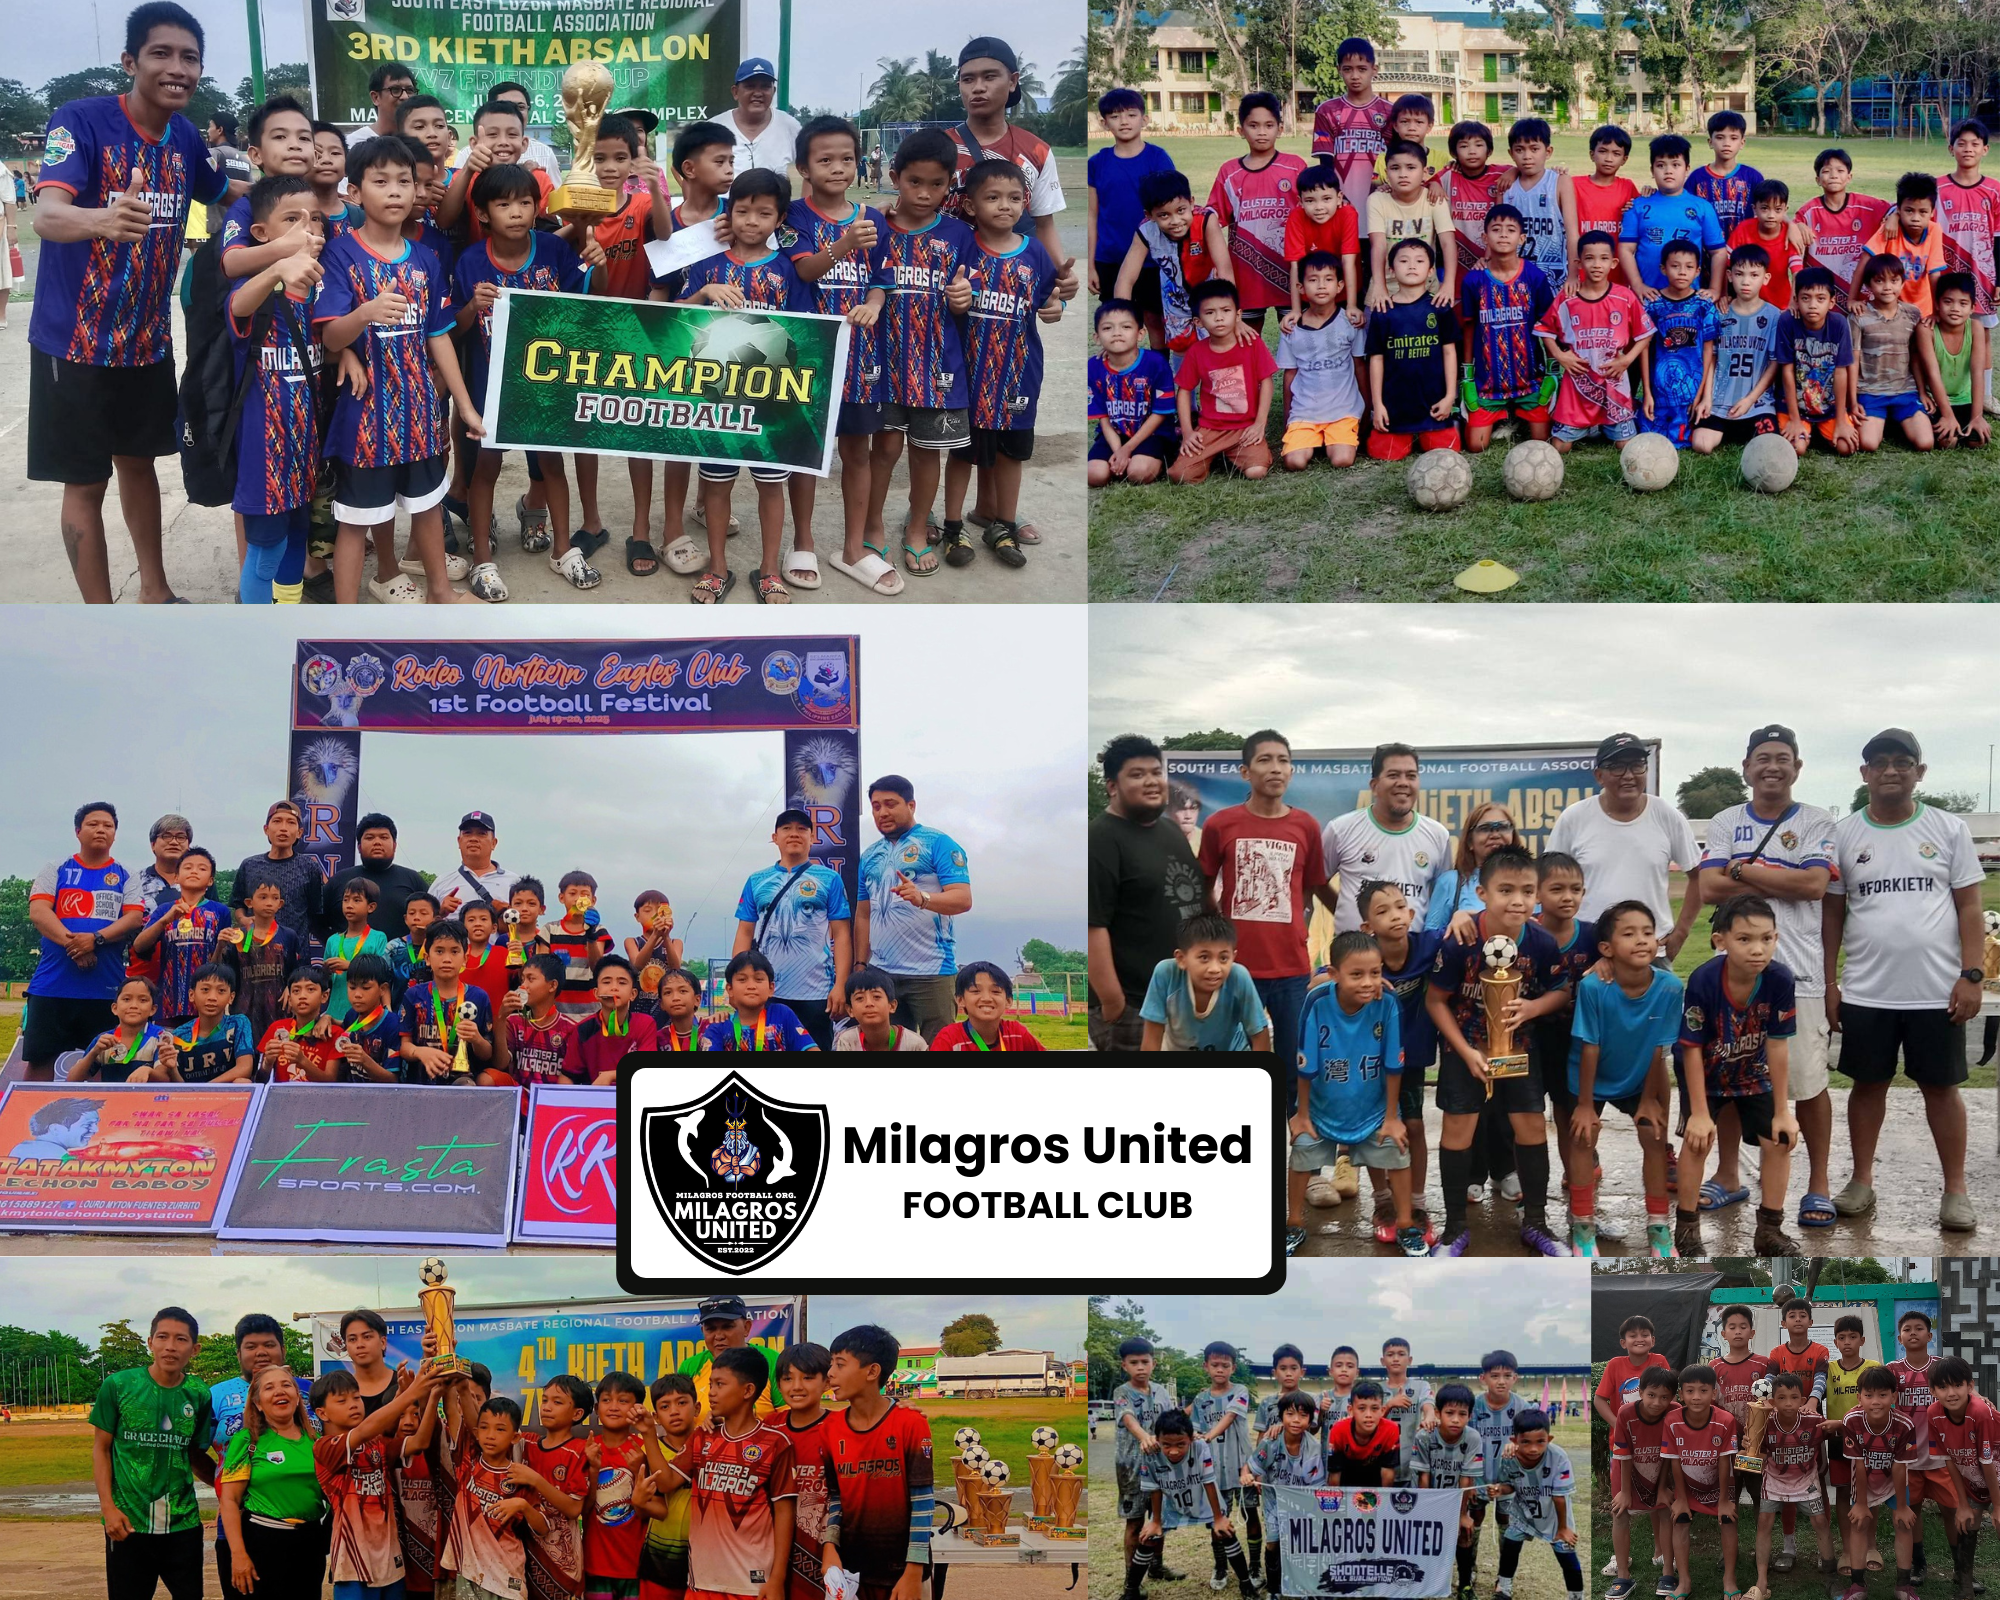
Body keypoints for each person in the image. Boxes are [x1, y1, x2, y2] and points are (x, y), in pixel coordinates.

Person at [28, 1, 238, 605]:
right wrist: (102, 217)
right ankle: (102, 620)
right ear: (130, 61)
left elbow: (232, 192)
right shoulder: (82, 121)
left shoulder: (186, 137)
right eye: (161, 53)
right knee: (86, 482)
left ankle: (155, 592)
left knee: (140, 463)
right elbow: (46, 214)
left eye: (190, 57)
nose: (178, 68)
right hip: (75, 341)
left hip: (146, 341)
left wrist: (316, 192)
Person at [1824, 728, 1982, 1231]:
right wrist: (1831, 982)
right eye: (1880, 762)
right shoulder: (1845, 834)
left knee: (1941, 1088)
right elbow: (1832, 915)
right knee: (1867, 1085)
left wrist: (1972, 976)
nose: (1892, 770)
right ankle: (1862, 1180)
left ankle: (1955, 1190)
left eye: (1902, 761)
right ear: (1865, 773)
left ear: (1920, 771)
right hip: (1868, 990)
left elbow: (1970, 906)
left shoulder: (1948, 829)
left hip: (1936, 991)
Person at [315, 134, 479, 605]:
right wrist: (365, 312)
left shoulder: (427, 260)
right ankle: (345, 623)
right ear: (355, 191)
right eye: (380, 181)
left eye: (403, 182)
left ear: (416, 190)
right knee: (356, 520)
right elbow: (329, 338)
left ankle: (441, 593)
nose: (394, 191)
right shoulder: (341, 253)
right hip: (365, 420)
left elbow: (439, 335)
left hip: (421, 413)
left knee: (427, 510)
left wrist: (464, 406)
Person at [1696, 725, 1840, 1230]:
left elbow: (1814, 884)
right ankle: (1730, 1174)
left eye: (1782, 757)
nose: (1772, 766)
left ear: (1797, 767)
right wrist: (1767, 875)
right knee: (1733, 1079)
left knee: (1806, 1085)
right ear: (1746, 768)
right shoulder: (1725, 820)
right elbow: (1709, 886)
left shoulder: (1818, 820)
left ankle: (1817, 1184)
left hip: (1797, 975)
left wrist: (1740, 870)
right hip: (1734, 981)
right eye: (1762, 758)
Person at [453, 162, 597, 600]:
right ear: (482, 214)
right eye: (503, 204)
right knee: (486, 468)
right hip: (490, 386)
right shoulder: (471, 261)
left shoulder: (553, 251)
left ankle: (563, 549)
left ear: (537, 208)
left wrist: (599, 264)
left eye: (525, 202)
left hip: (545, 384)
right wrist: (471, 308)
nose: (516, 212)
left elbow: (587, 306)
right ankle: (482, 558)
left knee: (552, 464)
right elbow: (450, 331)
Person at [1427, 844, 1571, 1257]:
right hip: (1466, 1051)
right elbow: (1436, 1001)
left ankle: (1537, 1223)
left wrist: (1533, 1007)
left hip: (1519, 1050)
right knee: (1458, 1130)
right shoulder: (1461, 939)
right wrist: (1465, 1052)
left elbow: (1561, 992)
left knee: (1530, 1127)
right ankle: (1455, 1228)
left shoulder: (1540, 943)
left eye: (1527, 890)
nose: (1518, 900)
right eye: (1506, 890)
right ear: (1482, 892)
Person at [785, 114, 900, 595]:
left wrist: (873, 304)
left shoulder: (873, 218)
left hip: (860, 358)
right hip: (810, 353)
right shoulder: (795, 215)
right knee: (808, 451)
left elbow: (882, 277)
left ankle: (854, 548)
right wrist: (844, 244)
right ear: (804, 168)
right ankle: (804, 540)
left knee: (858, 449)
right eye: (825, 159)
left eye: (847, 158)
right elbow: (805, 271)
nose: (838, 167)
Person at [940, 158, 1063, 569]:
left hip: (1018, 376)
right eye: (992, 197)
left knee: (1013, 454)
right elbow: (944, 300)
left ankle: (1004, 524)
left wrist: (1055, 306)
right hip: (968, 378)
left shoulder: (1036, 254)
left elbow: (1049, 299)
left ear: (1026, 203)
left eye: (1014, 198)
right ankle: (954, 527)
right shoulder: (964, 247)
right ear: (971, 205)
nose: (1004, 206)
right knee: (962, 454)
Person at [874, 128, 978, 576]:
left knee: (926, 451)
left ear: (950, 184)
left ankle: (918, 527)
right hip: (882, 364)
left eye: (937, 184)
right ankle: (871, 526)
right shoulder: (874, 225)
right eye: (914, 182)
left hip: (939, 367)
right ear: (894, 176)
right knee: (884, 449)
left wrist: (963, 300)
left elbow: (971, 292)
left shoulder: (960, 234)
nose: (925, 193)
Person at [1198, 729, 1328, 1070]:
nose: (1275, 768)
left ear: (1291, 770)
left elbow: (1313, 885)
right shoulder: (1219, 824)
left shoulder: (1306, 826)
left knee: (1292, 1061)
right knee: (1234, 1061)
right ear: (1246, 771)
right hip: (1236, 968)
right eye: (1265, 760)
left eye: (1283, 761)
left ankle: (1291, 1119)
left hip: (1292, 970)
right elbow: (1203, 887)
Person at [1291, 931, 1420, 1258]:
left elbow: (1394, 1064)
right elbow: (1305, 1063)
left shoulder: (1387, 1004)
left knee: (1396, 1147)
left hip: (1374, 1109)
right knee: (1301, 1151)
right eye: (1356, 974)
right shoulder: (1317, 1002)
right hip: (1321, 1108)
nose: (1368, 982)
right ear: (1333, 974)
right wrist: (1302, 1114)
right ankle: (1293, 1223)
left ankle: (1405, 1225)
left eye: (1375, 973)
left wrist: (1392, 1118)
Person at [646, 1346, 800, 1599]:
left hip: (751, 1584)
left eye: (719, 1384)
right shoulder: (703, 1437)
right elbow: (665, 1483)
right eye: (710, 1384)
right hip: (702, 1581)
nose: (711, 1393)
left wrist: (777, 1578)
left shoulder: (775, 1444)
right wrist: (648, 1433)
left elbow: (784, 1513)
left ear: (748, 1391)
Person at [91, 1305, 216, 1600]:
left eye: (181, 1339)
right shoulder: (119, 1385)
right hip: (128, 1524)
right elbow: (101, 1449)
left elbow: (196, 1455)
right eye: (162, 1337)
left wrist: (230, 1490)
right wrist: (109, 1509)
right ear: (150, 1343)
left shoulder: (199, 1394)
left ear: (195, 1348)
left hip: (182, 1524)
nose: (170, 1346)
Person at [1090, 735, 1206, 1050]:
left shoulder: (1170, 830)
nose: (1152, 782)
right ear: (1113, 786)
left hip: (1183, 996)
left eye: (1156, 772)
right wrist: (1113, 1002)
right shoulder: (1099, 839)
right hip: (1134, 1006)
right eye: (1137, 775)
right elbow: (1092, 926)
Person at [1546, 733, 1702, 953]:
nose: (1628, 775)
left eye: (1637, 765)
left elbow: (1698, 875)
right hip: (1587, 949)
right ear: (1599, 775)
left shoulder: (1667, 815)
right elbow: (1548, 880)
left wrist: (1681, 932)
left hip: (1650, 951)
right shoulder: (1574, 818)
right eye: (1617, 767)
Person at [24, 801, 146, 1080]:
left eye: (108, 825)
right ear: (78, 831)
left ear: (115, 834)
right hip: (52, 986)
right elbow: (39, 912)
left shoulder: (127, 874)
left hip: (105, 990)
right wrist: (76, 946)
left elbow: (133, 918)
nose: (101, 830)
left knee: (103, 1065)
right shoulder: (55, 868)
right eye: (93, 824)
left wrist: (96, 940)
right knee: (40, 1063)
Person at [821, 1324, 934, 1600]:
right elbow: (836, 1496)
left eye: (840, 1364)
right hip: (851, 1574)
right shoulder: (830, 1427)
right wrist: (829, 1546)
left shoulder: (910, 1423)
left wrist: (913, 1572)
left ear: (872, 1371)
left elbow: (923, 1502)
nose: (830, 1373)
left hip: (902, 1575)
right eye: (830, 1364)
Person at [856, 775, 971, 1041]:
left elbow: (963, 899)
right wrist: (860, 965)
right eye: (875, 806)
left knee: (939, 1045)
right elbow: (863, 914)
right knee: (887, 1047)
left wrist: (923, 898)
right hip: (882, 972)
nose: (882, 812)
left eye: (890, 804)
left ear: (911, 805)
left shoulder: (938, 843)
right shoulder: (869, 855)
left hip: (931, 971)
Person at [734, 809, 853, 1052]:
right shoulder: (757, 880)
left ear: (813, 837)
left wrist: (840, 984)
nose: (794, 834)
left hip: (816, 992)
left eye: (801, 829)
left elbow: (841, 934)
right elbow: (745, 933)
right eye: (786, 829)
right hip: (767, 990)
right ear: (775, 837)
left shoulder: (829, 879)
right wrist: (737, 982)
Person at [1536, 232, 1655, 453]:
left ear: (1613, 263)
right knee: (1559, 447)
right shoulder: (1567, 298)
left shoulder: (1625, 297)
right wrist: (1560, 356)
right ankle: (1587, 426)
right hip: (1578, 390)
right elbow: (1544, 330)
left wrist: (1627, 360)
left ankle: (1611, 421)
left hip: (1614, 387)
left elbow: (1645, 333)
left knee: (1625, 446)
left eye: (1603, 258)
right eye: (1589, 258)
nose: (1597, 265)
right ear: (1579, 263)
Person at [216, 1365, 326, 1600]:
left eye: (286, 1385)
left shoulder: (316, 1441)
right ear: (257, 1403)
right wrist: (238, 1555)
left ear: (298, 1397)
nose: (279, 1391)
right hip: (262, 1543)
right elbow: (229, 1500)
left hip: (310, 1545)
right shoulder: (247, 1440)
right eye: (269, 1387)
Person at [1458, 204, 1557, 453]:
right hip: (1488, 382)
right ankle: (1500, 412)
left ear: (1521, 238)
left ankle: (1520, 410)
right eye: (1496, 229)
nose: (1503, 235)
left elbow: (1547, 325)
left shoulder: (1535, 278)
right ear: (1485, 237)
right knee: (1476, 445)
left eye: (1511, 230)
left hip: (1530, 380)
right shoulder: (1473, 280)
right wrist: (1468, 375)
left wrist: (1553, 372)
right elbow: (1469, 327)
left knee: (1541, 442)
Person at [1128, 1409, 1256, 1600]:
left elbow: (1208, 1481)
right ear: (1157, 1440)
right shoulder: (1151, 1452)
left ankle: (1246, 1585)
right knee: (1148, 1539)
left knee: (1226, 1532)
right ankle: (1131, 1591)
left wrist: (1218, 1517)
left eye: (1181, 1444)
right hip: (1172, 1501)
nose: (1173, 1450)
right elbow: (1154, 1488)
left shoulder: (1200, 1446)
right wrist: (1155, 1521)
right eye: (1166, 1445)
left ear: (1191, 1438)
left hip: (1203, 1499)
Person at [1209, 92, 1305, 332]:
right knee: (1247, 337)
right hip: (1246, 272)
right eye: (1253, 125)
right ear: (1241, 130)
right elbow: (1212, 218)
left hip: (1290, 270)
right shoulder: (1229, 172)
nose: (1262, 132)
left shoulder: (1294, 167)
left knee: (1296, 336)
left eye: (1269, 125)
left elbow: (1313, 209)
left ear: (1280, 128)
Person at [1167, 278, 1277, 483]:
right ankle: (1214, 454)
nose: (1219, 318)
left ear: (1238, 315)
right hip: (1210, 428)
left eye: (1225, 311)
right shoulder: (1196, 352)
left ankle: (1232, 454)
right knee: (1180, 475)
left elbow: (1267, 382)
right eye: (1210, 313)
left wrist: (1260, 423)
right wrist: (1188, 432)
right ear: (1198, 321)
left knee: (1257, 471)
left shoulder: (1252, 344)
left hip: (1245, 427)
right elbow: (1184, 391)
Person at [1365, 238, 1461, 458]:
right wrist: (1378, 405)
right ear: (1391, 269)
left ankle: (1445, 421)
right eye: (1404, 261)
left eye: (1419, 261)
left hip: (1434, 407)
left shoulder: (1440, 308)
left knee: (1446, 452)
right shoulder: (1383, 311)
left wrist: (1449, 397)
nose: (1411, 265)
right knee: (1386, 454)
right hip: (1396, 408)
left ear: (1430, 271)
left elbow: (1449, 352)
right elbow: (1376, 359)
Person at [1088, 89, 1176, 324]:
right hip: (1110, 258)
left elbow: (1172, 207)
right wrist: (1090, 266)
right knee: (1117, 319)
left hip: (1153, 256)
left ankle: (1160, 362)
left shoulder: (1158, 158)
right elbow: (1092, 214)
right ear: (1104, 122)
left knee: (1156, 320)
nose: (1124, 121)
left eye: (1131, 114)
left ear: (1144, 119)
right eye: (1115, 116)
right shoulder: (1097, 163)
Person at [1277, 251, 1368, 469]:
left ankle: (1337, 436)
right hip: (1305, 411)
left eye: (1328, 279)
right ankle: (1308, 436)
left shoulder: (1350, 322)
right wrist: (1288, 419)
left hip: (1343, 409)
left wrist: (1366, 411)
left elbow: (1359, 367)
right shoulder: (1291, 329)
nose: (1321, 286)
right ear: (1301, 288)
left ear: (1339, 286)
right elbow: (1290, 374)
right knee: (1294, 462)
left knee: (1342, 459)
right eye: (1313, 280)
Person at [1691, 245, 1785, 453]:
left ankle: (1741, 427)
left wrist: (1750, 399)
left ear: (1766, 278)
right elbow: (1712, 359)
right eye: (1740, 274)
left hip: (1757, 403)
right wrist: (1707, 398)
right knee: (1701, 445)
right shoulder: (1719, 313)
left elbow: (1774, 363)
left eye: (1754, 275)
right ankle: (1731, 428)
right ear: (1729, 276)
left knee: (1768, 447)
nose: (1746, 281)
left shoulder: (1774, 316)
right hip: (1720, 401)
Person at [1852, 253, 1946, 453]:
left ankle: (1896, 418)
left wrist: (1922, 392)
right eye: (1879, 281)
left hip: (1904, 390)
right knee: (1868, 444)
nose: (1887, 287)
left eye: (1894, 281)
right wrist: (1852, 401)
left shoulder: (1912, 314)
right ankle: (1884, 420)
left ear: (1902, 283)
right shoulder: (1859, 316)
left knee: (1925, 443)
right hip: (1870, 391)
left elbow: (1915, 357)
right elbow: (1853, 360)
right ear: (1868, 286)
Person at [1140, 912, 1272, 1052]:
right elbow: (1152, 1038)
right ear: (1181, 959)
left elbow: (1259, 1035)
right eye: (1204, 957)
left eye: (1223, 958)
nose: (1215, 969)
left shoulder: (1239, 976)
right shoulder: (1166, 974)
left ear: (1233, 957)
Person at [1662, 1365, 1741, 1596]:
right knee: (1681, 1520)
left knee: (1728, 1520)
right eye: (1690, 1391)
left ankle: (1729, 1579)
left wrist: (1725, 1500)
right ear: (1681, 1394)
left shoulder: (1726, 1420)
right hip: (1688, 1487)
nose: (1696, 1397)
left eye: (1703, 1390)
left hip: (1721, 1487)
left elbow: (1726, 1462)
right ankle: (1684, 1581)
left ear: (1714, 1393)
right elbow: (1675, 1461)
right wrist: (1681, 1498)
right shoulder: (1672, 1420)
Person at [1618, 135, 1726, 299]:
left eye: (1676, 165)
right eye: (1661, 165)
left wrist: (1715, 289)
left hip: (1689, 297)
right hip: (1649, 296)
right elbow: (1626, 249)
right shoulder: (1637, 206)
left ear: (1687, 169)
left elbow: (1718, 252)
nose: (1668, 171)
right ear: (1652, 170)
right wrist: (1638, 285)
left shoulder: (1702, 207)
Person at [1243, 1391, 1326, 1597]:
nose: (1296, 1420)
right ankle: (1274, 1589)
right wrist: (1246, 1475)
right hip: (1274, 1502)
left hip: (1302, 1503)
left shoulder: (1313, 1448)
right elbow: (1249, 1468)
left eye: (1303, 1415)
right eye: (1290, 1414)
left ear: (1310, 1420)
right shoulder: (1270, 1442)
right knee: (1273, 1543)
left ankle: (1306, 1587)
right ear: (1281, 1417)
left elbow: (1316, 1487)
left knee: (1304, 1544)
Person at [1640, 240, 1722, 450]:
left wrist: (1702, 394)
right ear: (1663, 269)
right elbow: (1645, 348)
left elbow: (1709, 352)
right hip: (1660, 393)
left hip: (1691, 392)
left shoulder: (1703, 306)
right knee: (1648, 438)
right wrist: (1647, 393)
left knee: (1688, 438)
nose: (1682, 272)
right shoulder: (1654, 305)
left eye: (1688, 267)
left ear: (1697, 271)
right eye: (1675, 266)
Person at [1493, 1409, 1582, 1600]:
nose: (1533, 1449)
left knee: (1566, 1554)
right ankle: (1504, 1586)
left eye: (1540, 1442)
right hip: (1523, 1513)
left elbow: (1559, 1497)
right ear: (1514, 1440)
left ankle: (1576, 1595)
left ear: (1549, 1439)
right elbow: (1509, 1486)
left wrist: (1564, 1528)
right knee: (1510, 1544)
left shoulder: (1558, 1457)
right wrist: (1499, 1490)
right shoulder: (1509, 1459)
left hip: (1555, 1517)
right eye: (1526, 1442)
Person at [1608, 1368, 1680, 1600]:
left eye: (1665, 1397)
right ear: (1640, 1392)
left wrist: (1661, 1488)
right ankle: (1622, 1574)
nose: (1657, 1402)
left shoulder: (1676, 1412)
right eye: (1651, 1395)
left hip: (1660, 1471)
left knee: (1664, 1511)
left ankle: (1668, 1571)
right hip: (1627, 1470)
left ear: (1672, 1397)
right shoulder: (1625, 1413)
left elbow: (1671, 1454)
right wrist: (1625, 1492)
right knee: (1620, 1514)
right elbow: (1624, 1453)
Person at [1089, 298, 1177, 485]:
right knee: (1094, 475)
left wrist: (1127, 449)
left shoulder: (1155, 364)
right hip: (1115, 433)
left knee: (1138, 473)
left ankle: (1158, 460)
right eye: (1107, 328)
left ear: (1140, 334)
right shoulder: (1094, 367)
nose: (1117, 333)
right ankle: (1120, 460)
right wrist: (1118, 450)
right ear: (1096, 337)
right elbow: (1103, 417)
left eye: (1126, 327)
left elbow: (1160, 414)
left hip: (1152, 433)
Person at [1776, 265, 1860, 456]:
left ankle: (1827, 426)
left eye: (1820, 299)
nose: (1812, 305)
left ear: (1831, 302)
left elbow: (1841, 372)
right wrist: (1795, 420)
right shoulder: (1787, 322)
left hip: (1828, 406)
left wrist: (1840, 419)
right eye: (1805, 298)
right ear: (1796, 300)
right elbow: (1787, 372)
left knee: (1846, 448)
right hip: (1796, 404)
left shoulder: (1838, 324)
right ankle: (1803, 427)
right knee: (1797, 448)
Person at [1800, 148, 1892, 317]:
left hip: (1862, 301)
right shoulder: (1809, 211)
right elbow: (1791, 228)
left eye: (1840, 171)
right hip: (1822, 301)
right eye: (1826, 171)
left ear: (1849, 177)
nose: (1834, 175)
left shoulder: (1867, 205)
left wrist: (1894, 216)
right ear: (1818, 179)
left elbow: (1896, 208)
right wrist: (1795, 226)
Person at [1311, 36, 1393, 223]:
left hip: (1382, 200)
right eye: (1348, 69)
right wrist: (1335, 195)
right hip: (1342, 202)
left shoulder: (1390, 111)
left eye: (1362, 69)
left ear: (1374, 70)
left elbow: (1399, 157)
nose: (1355, 76)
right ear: (1339, 70)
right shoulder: (1327, 111)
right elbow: (1325, 163)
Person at [216, 878, 304, 1041]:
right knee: (247, 1058)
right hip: (244, 1011)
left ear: (281, 903)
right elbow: (219, 973)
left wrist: (291, 987)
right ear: (249, 902)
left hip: (279, 1011)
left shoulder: (288, 936)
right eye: (263, 897)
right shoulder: (237, 936)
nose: (269, 902)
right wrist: (220, 946)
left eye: (274, 898)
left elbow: (298, 970)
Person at [229, 800, 327, 941]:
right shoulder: (249, 865)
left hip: (295, 955)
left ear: (299, 832)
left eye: (291, 823)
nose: (283, 828)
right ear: (266, 829)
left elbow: (316, 913)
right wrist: (243, 919)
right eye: (277, 821)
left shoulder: (309, 867)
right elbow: (238, 903)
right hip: (253, 950)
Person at [1423, 801, 1521, 932]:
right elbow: (1430, 940)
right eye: (1485, 828)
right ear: (1470, 841)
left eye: (1503, 827)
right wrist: (1456, 922)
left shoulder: (1529, 881)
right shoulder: (1450, 882)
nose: (1495, 835)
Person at [328, 814, 431, 938]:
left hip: (402, 956)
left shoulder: (412, 880)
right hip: (347, 957)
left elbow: (431, 917)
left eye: (383, 837)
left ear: (394, 845)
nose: (377, 842)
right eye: (370, 837)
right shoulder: (339, 880)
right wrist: (333, 945)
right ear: (359, 847)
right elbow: (317, 920)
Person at [699, 950, 818, 1052]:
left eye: (759, 979)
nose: (751, 986)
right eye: (742, 979)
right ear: (730, 989)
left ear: (771, 988)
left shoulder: (782, 1015)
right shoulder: (719, 1026)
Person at [1931, 271, 1993, 447]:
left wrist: (1977, 417)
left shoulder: (1975, 328)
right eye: (1948, 302)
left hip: (1964, 400)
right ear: (1937, 304)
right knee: (1947, 441)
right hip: (1936, 400)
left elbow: (1977, 372)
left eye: (1963, 303)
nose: (1955, 308)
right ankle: (1946, 419)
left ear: (1972, 307)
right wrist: (1947, 415)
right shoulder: (1928, 330)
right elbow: (1933, 374)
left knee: (1976, 441)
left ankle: (1968, 420)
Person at [930, 961, 1046, 1051]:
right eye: (975, 991)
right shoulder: (949, 1038)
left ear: (1008, 1001)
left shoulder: (1017, 1034)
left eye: (995, 992)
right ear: (960, 1000)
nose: (986, 998)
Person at [1687, 110, 1762, 238]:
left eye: (1733, 138)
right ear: (1710, 142)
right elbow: (1685, 211)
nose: (1727, 143)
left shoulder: (1752, 177)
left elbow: (1771, 208)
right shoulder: (1697, 178)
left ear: (1742, 143)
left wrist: (1792, 225)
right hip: (1707, 252)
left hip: (1744, 252)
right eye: (1720, 137)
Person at [431, 811, 520, 915]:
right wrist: (440, 912)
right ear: (459, 841)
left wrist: (507, 912)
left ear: (493, 843)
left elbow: (527, 924)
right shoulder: (442, 883)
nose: (473, 839)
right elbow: (424, 926)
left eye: (482, 833)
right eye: (467, 833)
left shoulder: (514, 882)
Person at [832, 965, 929, 1051]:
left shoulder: (914, 1044)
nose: (869, 1003)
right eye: (860, 998)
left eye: (877, 997)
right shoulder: (848, 1041)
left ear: (892, 1006)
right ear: (850, 1010)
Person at [346, 63, 417, 146]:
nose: (405, 96)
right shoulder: (354, 143)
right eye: (395, 90)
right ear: (375, 97)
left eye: (410, 90)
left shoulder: (421, 141)